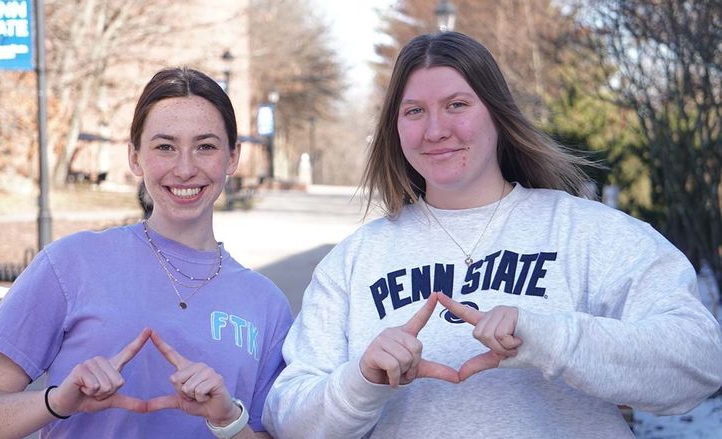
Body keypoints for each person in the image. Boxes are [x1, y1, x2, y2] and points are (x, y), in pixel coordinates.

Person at [262, 31, 722, 438]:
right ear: (395, 129)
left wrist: (550, 338)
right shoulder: (354, 260)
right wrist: (362, 379)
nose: (436, 130)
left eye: (457, 105)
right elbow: (288, 419)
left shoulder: (587, 233)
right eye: (414, 111)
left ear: (497, 114)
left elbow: (699, 362)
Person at [0, 67, 293, 439]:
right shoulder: (71, 263)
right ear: (134, 157)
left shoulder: (267, 305)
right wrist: (57, 403)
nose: (185, 168)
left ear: (232, 158)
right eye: (165, 147)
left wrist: (228, 419)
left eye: (205, 146)